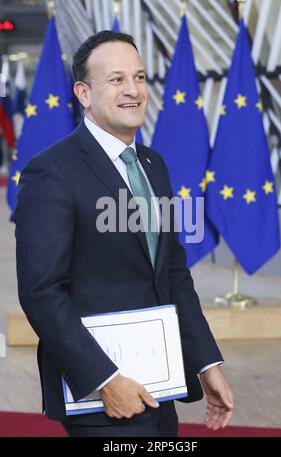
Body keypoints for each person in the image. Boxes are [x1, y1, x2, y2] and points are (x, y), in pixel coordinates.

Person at [15, 31, 233, 438]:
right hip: (101, 399)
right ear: (83, 93)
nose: (132, 90)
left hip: (160, 388)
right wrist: (105, 380)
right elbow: (41, 292)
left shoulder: (154, 165)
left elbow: (172, 273)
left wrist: (207, 364)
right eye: (116, 79)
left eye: (140, 77)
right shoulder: (52, 173)